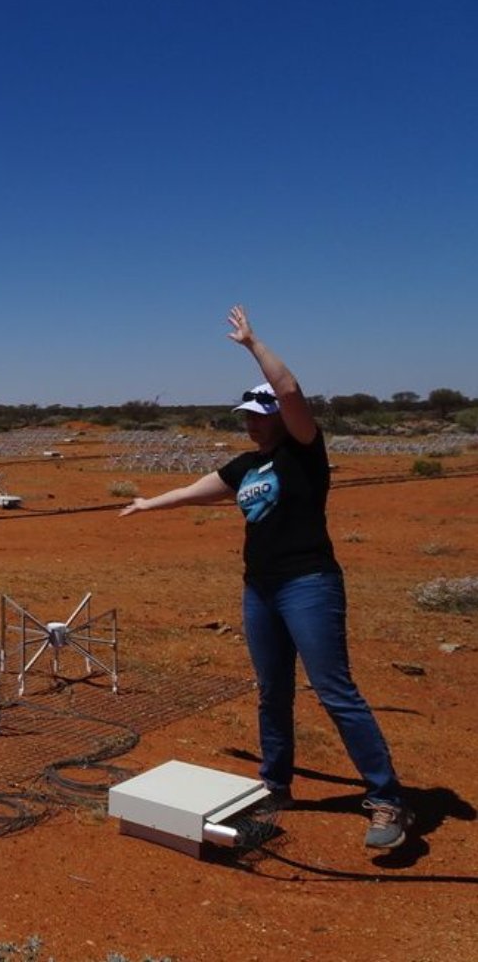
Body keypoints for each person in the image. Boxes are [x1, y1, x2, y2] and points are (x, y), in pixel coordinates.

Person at [120, 305, 410, 850]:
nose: (251, 422)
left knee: (334, 690)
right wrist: (147, 503)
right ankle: (276, 783)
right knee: (272, 690)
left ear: (279, 417)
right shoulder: (245, 467)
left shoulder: (304, 452)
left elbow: (293, 390)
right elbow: (193, 492)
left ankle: (387, 798)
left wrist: (254, 344)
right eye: (247, 415)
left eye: (259, 413)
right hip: (261, 589)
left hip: (309, 584)